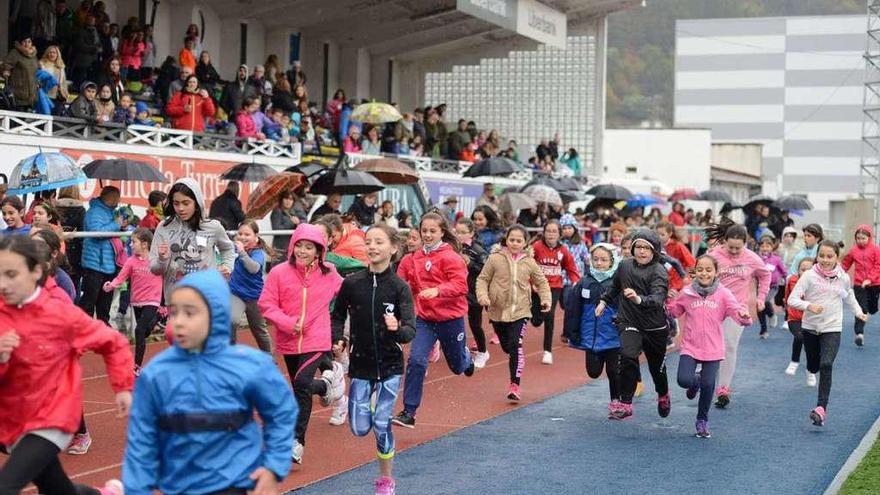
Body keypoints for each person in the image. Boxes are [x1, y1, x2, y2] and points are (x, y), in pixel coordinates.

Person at [122, 269, 296, 494]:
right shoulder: (156, 375)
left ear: (216, 314)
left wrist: (273, 467)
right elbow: (141, 441)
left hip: (236, 485)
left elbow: (281, 411)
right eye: (174, 313)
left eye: (190, 313)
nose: (179, 322)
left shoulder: (248, 366)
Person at [0, 234, 133, 495]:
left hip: (52, 415)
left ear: (36, 271)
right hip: (13, 416)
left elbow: (112, 342)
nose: (3, 283)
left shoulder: (60, 313)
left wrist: (123, 387)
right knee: (57, 489)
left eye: (12, 274)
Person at [330, 225, 415, 495]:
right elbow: (337, 314)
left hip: (390, 365)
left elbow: (410, 329)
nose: (372, 247)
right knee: (358, 428)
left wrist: (396, 330)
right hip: (361, 364)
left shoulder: (399, 288)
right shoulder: (353, 283)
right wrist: (338, 338)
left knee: (381, 423)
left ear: (393, 248)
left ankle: (386, 481)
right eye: (369, 242)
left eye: (379, 242)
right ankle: (367, 411)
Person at [258, 224, 345, 464]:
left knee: (302, 382)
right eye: (299, 245)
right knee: (300, 389)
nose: (303, 251)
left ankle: (297, 441)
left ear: (319, 251)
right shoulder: (278, 273)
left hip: (317, 338)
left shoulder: (329, 273)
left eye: (309, 247)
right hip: (288, 340)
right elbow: (266, 305)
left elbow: (348, 292)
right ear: (292, 245)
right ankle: (325, 390)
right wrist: (287, 322)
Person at [393, 212, 475, 429]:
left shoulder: (451, 257)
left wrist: (437, 290)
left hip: (451, 319)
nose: (427, 235)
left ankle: (466, 358)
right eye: (424, 231)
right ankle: (409, 412)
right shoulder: (413, 258)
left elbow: (461, 286)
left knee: (457, 367)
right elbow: (402, 285)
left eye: (432, 231)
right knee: (416, 360)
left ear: (442, 232)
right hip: (425, 320)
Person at [668, 255, 752, 438]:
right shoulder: (688, 292)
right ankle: (694, 381)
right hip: (690, 346)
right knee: (683, 380)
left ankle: (702, 420)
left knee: (708, 385)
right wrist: (670, 301)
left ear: (716, 272)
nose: (704, 273)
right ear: (695, 271)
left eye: (708, 270)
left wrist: (744, 317)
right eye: (700, 270)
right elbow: (675, 311)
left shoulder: (723, 293)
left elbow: (736, 311)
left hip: (713, 349)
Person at [788, 241, 867, 427]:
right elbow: (792, 299)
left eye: (829, 256)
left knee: (826, 364)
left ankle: (821, 408)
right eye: (821, 256)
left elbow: (849, 295)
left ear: (836, 258)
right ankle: (811, 369)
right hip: (809, 327)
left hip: (832, 328)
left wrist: (858, 312)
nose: (825, 260)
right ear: (817, 256)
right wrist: (809, 306)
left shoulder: (843, 277)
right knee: (814, 365)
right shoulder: (808, 276)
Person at [596, 229, 670, 420]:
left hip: (654, 327)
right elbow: (615, 287)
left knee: (656, 368)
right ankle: (626, 403)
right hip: (629, 321)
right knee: (628, 355)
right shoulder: (624, 266)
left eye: (647, 248)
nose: (642, 251)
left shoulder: (659, 271)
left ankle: (663, 394)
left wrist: (638, 299)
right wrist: (604, 302)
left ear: (654, 251)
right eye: (638, 247)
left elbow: (657, 298)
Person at [477, 224, 550, 401]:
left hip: (521, 311)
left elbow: (541, 282)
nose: (515, 243)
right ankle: (511, 355)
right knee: (507, 346)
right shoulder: (495, 258)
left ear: (525, 243)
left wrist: (546, 298)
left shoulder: (529, 262)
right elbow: (483, 279)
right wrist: (483, 296)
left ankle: (514, 385)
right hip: (498, 312)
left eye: (519, 241)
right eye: (512, 240)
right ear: (506, 240)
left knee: (516, 346)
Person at [705, 219, 771, 408]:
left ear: (745, 243)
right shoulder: (714, 256)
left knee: (729, 346)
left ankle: (723, 389)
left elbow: (765, 275)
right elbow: (700, 274)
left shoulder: (751, 258)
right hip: (713, 306)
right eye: (730, 247)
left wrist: (761, 297)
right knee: (708, 346)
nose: (734, 251)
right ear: (724, 241)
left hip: (737, 309)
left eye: (738, 248)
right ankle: (700, 376)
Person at [150, 178, 236, 300]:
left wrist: (226, 267)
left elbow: (228, 248)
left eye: (186, 203)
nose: (180, 208)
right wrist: (162, 259)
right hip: (176, 300)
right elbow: (155, 269)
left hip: (207, 298)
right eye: (176, 203)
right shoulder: (164, 227)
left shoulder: (213, 226)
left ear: (197, 202)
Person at [564, 243, 624, 414]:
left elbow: (626, 308)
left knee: (613, 371)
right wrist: (571, 332)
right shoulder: (584, 282)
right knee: (593, 373)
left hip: (613, 336)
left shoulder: (617, 283)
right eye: (595, 259)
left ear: (612, 261)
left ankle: (616, 401)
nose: (598, 263)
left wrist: (623, 325)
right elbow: (573, 310)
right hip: (590, 337)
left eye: (604, 260)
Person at [102, 228, 162, 373]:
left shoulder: (156, 260)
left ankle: (136, 366)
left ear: (145, 244)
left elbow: (168, 272)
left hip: (152, 300)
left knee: (139, 329)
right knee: (145, 332)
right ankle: (156, 320)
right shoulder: (131, 261)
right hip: (136, 301)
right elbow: (121, 277)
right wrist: (111, 286)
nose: (130, 245)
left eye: (133, 242)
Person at [531, 219, 581, 365]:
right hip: (537, 287)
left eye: (554, 231)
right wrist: (530, 283)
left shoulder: (563, 250)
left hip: (554, 287)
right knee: (536, 320)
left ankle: (547, 351)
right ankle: (536, 318)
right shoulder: (536, 247)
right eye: (548, 231)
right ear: (544, 233)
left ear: (559, 234)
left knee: (549, 314)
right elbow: (526, 265)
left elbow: (571, 268)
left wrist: (576, 282)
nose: (551, 234)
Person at [79, 186, 126, 324]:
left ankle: (103, 329)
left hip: (108, 265)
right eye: (117, 197)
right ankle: (84, 329)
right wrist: (116, 224)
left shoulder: (110, 213)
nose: (119, 200)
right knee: (89, 301)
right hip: (94, 265)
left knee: (104, 304)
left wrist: (120, 225)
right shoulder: (94, 212)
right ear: (110, 197)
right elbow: (97, 232)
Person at [229, 220, 273, 353]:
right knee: (230, 321)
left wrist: (242, 252)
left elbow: (253, 268)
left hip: (254, 297)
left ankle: (268, 358)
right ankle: (229, 354)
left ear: (256, 237)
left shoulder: (257, 252)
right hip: (236, 293)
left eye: (247, 234)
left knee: (259, 330)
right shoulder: (233, 248)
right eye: (240, 234)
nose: (242, 237)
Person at [455, 218, 490, 368]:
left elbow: (486, 271)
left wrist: (470, 263)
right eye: (457, 232)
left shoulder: (478, 250)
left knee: (474, 324)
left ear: (471, 233)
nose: (459, 235)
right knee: (454, 322)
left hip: (474, 292)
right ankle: (459, 351)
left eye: (463, 232)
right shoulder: (453, 248)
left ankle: (482, 352)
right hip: (457, 291)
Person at [841, 224, 880, 347]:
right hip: (859, 285)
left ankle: (870, 309)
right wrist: (837, 274)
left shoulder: (875, 249)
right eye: (858, 238)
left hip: (874, 284)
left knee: (872, 309)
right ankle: (859, 334)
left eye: (863, 238)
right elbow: (845, 264)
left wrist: (870, 279)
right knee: (861, 309)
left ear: (869, 238)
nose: (860, 240)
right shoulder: (853, 250)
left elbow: (878, 266)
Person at [784, 258, 814, 382]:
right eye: (802, 269)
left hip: (811, 320)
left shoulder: (816, 283)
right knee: (799, 336)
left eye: (808, 270)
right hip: (794, 318)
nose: (805, 272)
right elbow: (787, 297)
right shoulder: (792, 280)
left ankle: (810, 371)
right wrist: (787, 313)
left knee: (810, 346)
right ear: (798, 270)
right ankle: (794, 361)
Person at [757, 234, 787, 338]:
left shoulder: (776, 259)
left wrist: (786, 280)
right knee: (759, 307)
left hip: (773, 286)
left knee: (765, 301)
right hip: (760, 286)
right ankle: (763, 330)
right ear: (759, 247)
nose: (765, 248)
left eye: (768, 246)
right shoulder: (757, 259)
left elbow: (784, 271)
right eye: (763, 246)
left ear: (772, 247)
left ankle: (771, 314)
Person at [270, 189, 301, 257]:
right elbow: (276, 228)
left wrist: (298, 223)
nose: (288, 201)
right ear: (282, 200)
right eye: (286, 198)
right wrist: (291, 222)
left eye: (291, 199)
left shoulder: (293, 212)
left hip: (291, 245)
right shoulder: (277, 211)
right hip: (280, 247)